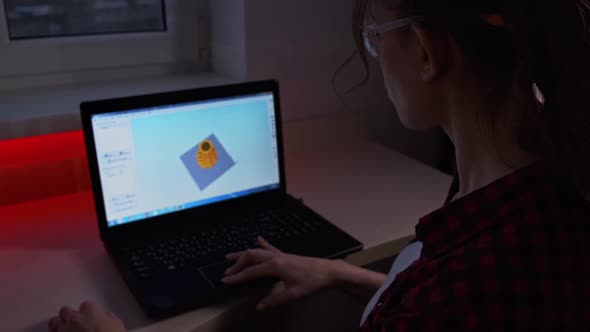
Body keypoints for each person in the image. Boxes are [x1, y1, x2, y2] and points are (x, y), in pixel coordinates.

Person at [49, 0, 590, 330]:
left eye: (374, 37)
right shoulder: (535, 183)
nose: (374, 56)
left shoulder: (468, 285)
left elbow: (435, 304)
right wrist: (334, 271)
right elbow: (425, 290)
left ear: (426, 52)